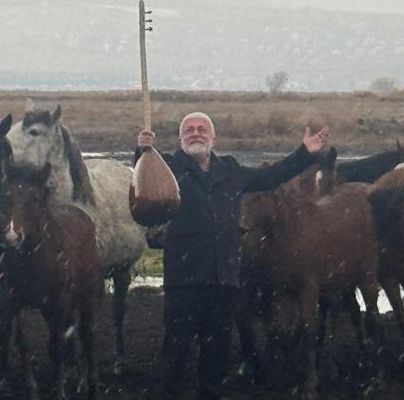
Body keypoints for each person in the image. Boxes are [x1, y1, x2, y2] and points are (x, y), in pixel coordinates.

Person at [135, 112, 330, 400]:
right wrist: (143, 151)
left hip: (224, 281)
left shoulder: (231, 170)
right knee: (175, 357)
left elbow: (270, 176)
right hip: (184, 282)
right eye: (189, 130)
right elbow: (145, 184)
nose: (196, 133)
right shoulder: (169, 168)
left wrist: (304, 153)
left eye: (203, 129)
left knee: (216, 358)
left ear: (214, 138)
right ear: (180, 139)